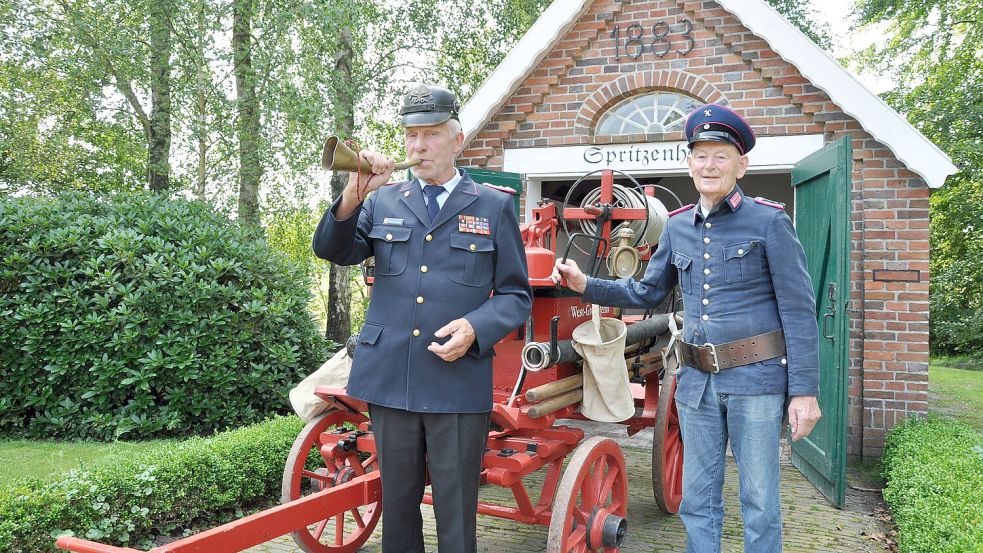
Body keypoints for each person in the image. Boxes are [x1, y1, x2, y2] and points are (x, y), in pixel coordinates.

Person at [552, 104, 822, 553]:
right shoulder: (678, 228)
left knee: (758, 501)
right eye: (700, 154)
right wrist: (588, 285)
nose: (709, 164)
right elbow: (645, 293)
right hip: (695, 384)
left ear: (742, 164)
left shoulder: (769, 221)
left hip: (756, 382)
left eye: (721, 155)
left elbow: (799, 311)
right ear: (689, 162)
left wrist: (805, 392)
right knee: (697, 501)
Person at [312, 83, 532, 553]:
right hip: (390, 375)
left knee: (455, 514)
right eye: (411, 135)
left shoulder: (492, 205)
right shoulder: (381, 200)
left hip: (456, 381)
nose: (418, 146)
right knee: (398, 508)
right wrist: (353, 195)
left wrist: (476, 326)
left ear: (457, 139)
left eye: (431, 134)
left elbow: (515, 296)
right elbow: (332, 249)